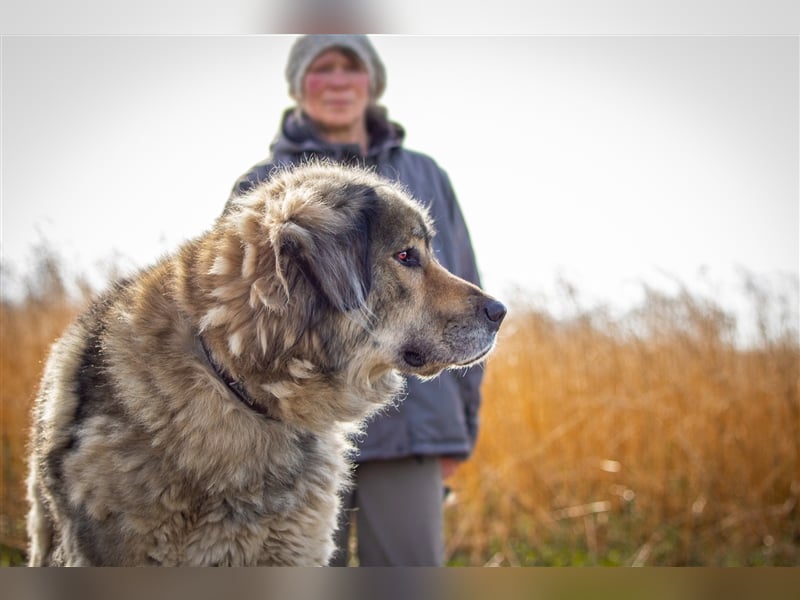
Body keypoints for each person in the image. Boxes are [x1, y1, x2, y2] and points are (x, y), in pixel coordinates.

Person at [227, 34, 486, 567]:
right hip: (292, 432)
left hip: (411, 426)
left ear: (372, 82)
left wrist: (458, 428)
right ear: (300, 85)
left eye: (352, 67)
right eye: (323, 68)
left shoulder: (424, 175)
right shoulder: (263, 185)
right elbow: (230, 313)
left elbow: (464, 299)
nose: (339, 81)